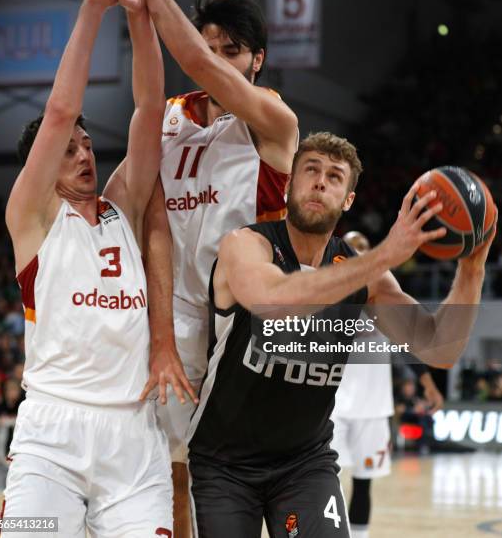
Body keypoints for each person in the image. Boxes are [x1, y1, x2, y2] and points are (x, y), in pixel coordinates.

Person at [187, 132, 495, 538]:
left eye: (335, 177)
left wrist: (472, 269)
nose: (320, 182)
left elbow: (439, 347)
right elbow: (274, 300)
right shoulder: (247, 245)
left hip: (304, 462)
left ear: (348, 199)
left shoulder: (366, 275)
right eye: (310, 170)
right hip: (223, 463)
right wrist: (387, 252)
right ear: (289, 184)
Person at [102, 0, 299, 534]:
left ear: (256, 60)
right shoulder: (165, 118)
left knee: (251, 470)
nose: (215, 59)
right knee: (175, 471)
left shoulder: (273, 122)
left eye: (230, 50)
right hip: (176, 309)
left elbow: (188, 60)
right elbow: (118, 197)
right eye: (209, 45)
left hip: (248, 316)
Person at [2, 0, 173, 537]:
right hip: (53, 434)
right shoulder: (33, 216)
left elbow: (150, 110)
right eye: (68, 148)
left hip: (134, 437)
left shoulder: (122, 205)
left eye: (86, 143)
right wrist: (93, 6)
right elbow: (57, 111)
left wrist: (137, 11)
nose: (83, 153)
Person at [332, 231, 444, 538]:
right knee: (325, 482)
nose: (357, 250)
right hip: (331, 406)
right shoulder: (325, 288)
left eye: (363, 246)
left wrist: (427, 383)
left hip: (373, 406)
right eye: (351, 245)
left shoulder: (384, 290)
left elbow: (405, 344)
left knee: (364, 482)